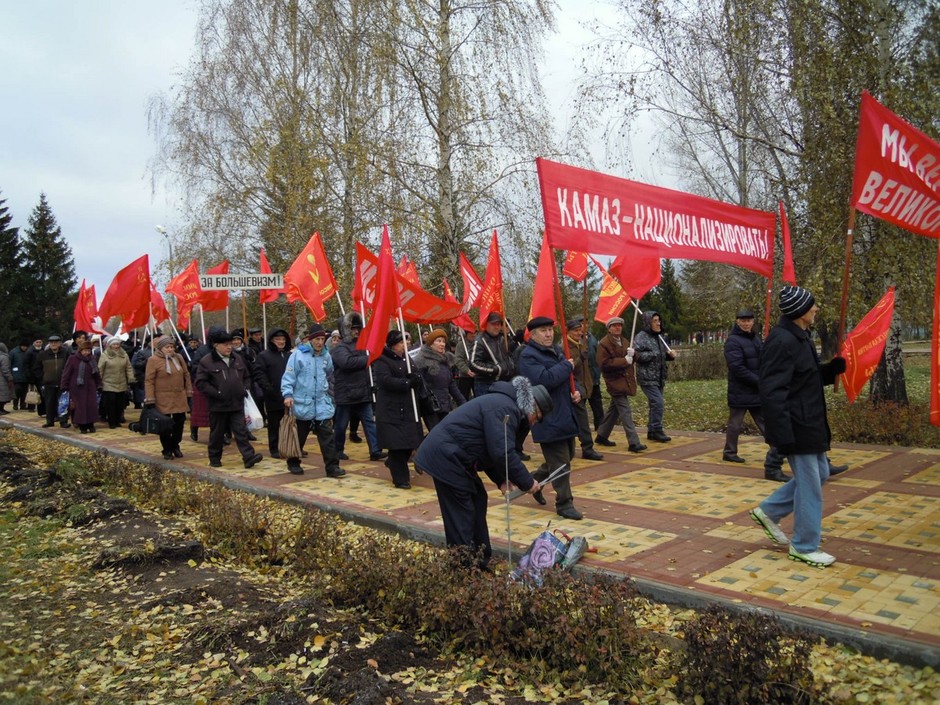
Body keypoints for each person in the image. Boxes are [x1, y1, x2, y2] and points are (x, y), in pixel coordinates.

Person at [749, 286, 845, 568]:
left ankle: (768, 511)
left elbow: (806, 379)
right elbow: (772, 392)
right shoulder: (781, 342)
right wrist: (782, 437)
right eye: (812, 306)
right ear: (800, 311)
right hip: (796, 426)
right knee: (810, 485)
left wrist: (831, 370)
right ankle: (804, 546)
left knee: (821, 473)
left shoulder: (800, 337)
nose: (816, 309)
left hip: (810, 422)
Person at [414, 376, 551, 568]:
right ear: (532, 406)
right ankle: (463, 567)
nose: (534, 424)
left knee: (478, 499)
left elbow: (489, 449)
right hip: (445, 457)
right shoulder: (505, 408)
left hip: (457, 456)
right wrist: (527, 482)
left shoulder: (506, 405)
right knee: (462, 511)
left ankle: (479, 561)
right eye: (536, 418)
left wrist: (501, 480)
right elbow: (502, 452)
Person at [516, 316, 584, 520]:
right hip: (546, 416)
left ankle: (534, 482)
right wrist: (567, 367)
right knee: (561, 463)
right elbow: (544, 380)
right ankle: (564, 504)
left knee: (565, 457)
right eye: (543, 331)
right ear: (533, 335)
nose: (548, 334)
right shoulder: (528, 356)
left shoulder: (556, 351)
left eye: (550, 330)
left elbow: (569, 380)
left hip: (565, 413)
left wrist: (577, 391)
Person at [280, 324, 345, 478]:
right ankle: (293, 462)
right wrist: (287, 395)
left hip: (322, 404)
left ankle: (332, 467)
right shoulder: (298, 355)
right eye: (317, 339)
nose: (320, 342)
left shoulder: (326, 356)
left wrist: (330, 394)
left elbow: (329, 375)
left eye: (322, 339)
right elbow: (289, 377)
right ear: (310, 339)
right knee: (299, 437)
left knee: (327, 437)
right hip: (303, 403)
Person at [194, 331, 263, 469]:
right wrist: (217, 393)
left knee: (241, 431)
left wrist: (244, 389)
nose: (229, 347)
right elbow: (201, 383)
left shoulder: (237, 358)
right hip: (218, 405)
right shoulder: (207, 361)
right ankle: (214, 457)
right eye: (225, 345)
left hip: (237, 402)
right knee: (217, 433)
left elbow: (247, 376)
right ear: (216, 346)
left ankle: (248, 456)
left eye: (230, 344)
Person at [372, 330, 424, 488]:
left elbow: (415, 372)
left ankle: (393, 463)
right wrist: (406, 383)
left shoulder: (406, 358)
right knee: (397, 445)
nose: (405, 345)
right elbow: (385, 380)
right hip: (391, 409)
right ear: (393, 345)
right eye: (402, 342)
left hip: (408, 407)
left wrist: (417, 378)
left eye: (406, 342)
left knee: (410, 442)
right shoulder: (382, 359)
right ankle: (401, 478)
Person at [331, 312, 385, 462]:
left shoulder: (364, 345)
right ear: (345, 330)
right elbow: (347, 363)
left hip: (363, 392)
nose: (356, 331)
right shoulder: (339, 348)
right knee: (341, 426)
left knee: (369, 423)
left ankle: (375, 450)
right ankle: (338, 450)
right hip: (345, 393)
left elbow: (370, 366)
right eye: (353, 328)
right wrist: (368, 359)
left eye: (357, 328)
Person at [595, 316, 647, 453]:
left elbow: (633, 359)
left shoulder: (624, 341)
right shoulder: (604, 344)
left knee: (614, 410)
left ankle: (601, 435)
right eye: (614, 326)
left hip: (626, 381)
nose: (617, 328)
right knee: (625, 412)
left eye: (619, 325)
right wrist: (624, 360)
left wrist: (634, 354)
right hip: (615, 382)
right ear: (609, 328)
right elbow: (603, 364)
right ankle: (634, 442)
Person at [144, 336, 193, 460]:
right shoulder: (153, 360)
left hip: (179, 396)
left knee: (180, 422)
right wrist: (150, 398)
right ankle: (167, 449)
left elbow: (186, 375)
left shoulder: (179, 357)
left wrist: (188, 392)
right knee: (165, 424)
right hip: (162, 397)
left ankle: (176, 445)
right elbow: (149, 380)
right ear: (161, 348)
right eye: (167, 347)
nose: (170, 349)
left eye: (172, 347)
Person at [633, 310, 677, 442]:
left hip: (659, 376)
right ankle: (657, 428)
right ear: (648, 322)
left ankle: (652, 431)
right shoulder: (641, 337)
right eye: (655, 321)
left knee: (655, 404)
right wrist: (654, 354)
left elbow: (662, 354)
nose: (658, 323)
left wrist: (670, 355)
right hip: (647, 376)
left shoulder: (659, 337)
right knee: (658, 402)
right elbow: (637, 356)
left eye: (659, 320)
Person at [564, 316, 603, 461]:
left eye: (580, 330)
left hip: (586, 386)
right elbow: (569, 368)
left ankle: (579, 447)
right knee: (582, 421)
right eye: (575, 330)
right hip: (574, 388)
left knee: (578, 420)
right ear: (568, 332)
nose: (579, 333)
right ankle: (587, 447)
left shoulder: (582, 344)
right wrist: (581, 358)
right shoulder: (566, 347)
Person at [412, 328, 465, 431]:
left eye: (444, 341)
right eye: (438, 341)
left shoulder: (444, 360)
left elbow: (451, 384)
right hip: (430, 406)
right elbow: (419, 384)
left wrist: (462, 401)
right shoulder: (421, 360)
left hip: (444, 404)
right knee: (436, 434)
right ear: (431, 343)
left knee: (445, 432)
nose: (442, 344)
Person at [256, 328, 292, 458]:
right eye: (278, 339)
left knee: (290, 423)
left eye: (283, 339)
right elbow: (259, 374)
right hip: (273, 395)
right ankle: (274, 447)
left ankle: (290, 445)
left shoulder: (290, 355)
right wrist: (267, 388)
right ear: (272, 340)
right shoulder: (264, 356)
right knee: (274, 424)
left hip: (290, 395)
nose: (281, 341)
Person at [59, 341, 102, 433]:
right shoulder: (73, 359)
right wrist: (64, 385)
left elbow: (96, 373)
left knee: (91, 406)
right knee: (80, 407)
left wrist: (99, 384)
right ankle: (82, 425)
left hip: (90, 386)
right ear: (81, 350)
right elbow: (66, 373)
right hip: (77, 387)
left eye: (89, 350)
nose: (87, 352)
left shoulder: (92, 359)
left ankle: (90, 424)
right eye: (85, 350)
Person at [470, 312, 516, 397]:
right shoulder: (479, 341)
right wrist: (495, 369)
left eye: (499, 324)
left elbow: (509, 357)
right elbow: (473, 363)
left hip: (504, 382)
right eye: (493, 324)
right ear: (486, 324)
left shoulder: (502, 339)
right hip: (486, 385)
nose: (497, 327)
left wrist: (511, 367)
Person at [33, 335, 71, 428]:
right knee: (49, 403)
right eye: (51, 342)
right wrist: (42, 379)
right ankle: (50, 421)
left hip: (62, 383)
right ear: (49, 343)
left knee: (63, 403)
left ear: (60, 343)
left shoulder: (65, 353)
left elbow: (70, 367)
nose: (53, 344)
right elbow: (37, 369)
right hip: (48, 383)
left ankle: (63, 421)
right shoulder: (43, 355)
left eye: (56, 342)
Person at [98, 336, 134, 428]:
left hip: (121, 382)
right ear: (110, 345)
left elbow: (128, 368)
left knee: (120, 404)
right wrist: (99, 382)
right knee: (111, 404)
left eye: (117, 344)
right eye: (114, 344)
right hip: (108, 383)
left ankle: (117, 420)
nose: (116, 346)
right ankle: (111, 421)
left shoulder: (124, 354)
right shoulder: (105, 355)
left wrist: (131, 378)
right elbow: (100, 369)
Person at [8, 340, 32, 411]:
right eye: (23, 346)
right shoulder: (13, 352)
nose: (25, 348)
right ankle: (15, 404)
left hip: (26, 376)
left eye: (26, 347)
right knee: (17, 391)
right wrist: (11, 374)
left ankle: (23, 405)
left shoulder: (28, 352)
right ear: (20, 346)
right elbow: (9, 364)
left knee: (24, 392)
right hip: (16, 376)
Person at [453, 328, 476, 401]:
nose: (473, 335)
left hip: (477, 375)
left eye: (474, 333)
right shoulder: (460, 345)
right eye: (471, 333)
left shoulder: (478, 343)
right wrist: (467, 370)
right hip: (464, 376)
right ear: (466, 334)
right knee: (463, 397)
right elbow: (458, 360)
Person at [0, 343, 13, 414]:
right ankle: (1, 409)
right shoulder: (4, 357)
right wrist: (10, 378)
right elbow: (5, 369)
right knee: (3, 395)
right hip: (2, 379)